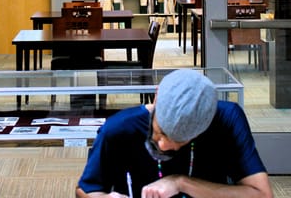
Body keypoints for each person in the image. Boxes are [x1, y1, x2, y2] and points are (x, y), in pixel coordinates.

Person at [76, 69, 273, 198]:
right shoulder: (118, 129)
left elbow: (262, 194)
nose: (163, 145)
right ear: (156, 97)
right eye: (161, 131)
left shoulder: (227, 119)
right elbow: (84, 191)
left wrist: (181, 183)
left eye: (179, 141)